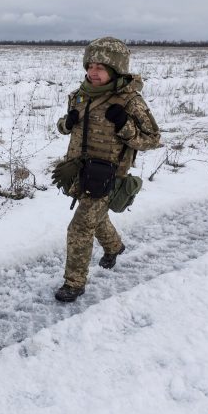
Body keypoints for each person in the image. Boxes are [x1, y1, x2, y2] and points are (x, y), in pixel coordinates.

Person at [52, 37, 161, 302]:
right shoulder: (79, 95)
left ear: (115, 70)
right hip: (79, 171)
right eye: (91, 65)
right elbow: (64, 127)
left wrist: (124, 125)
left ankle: (74, 283)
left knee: (79, 228)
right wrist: (67, 122)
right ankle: (114, 246)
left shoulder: (130, 101)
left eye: (101, 67)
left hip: (108, 175)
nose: (93, 72)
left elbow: (152, 140)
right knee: (95, 216)